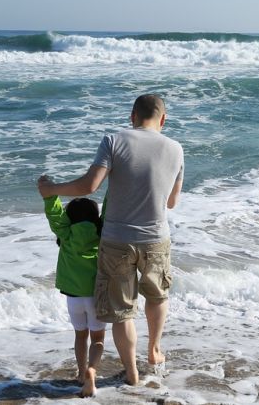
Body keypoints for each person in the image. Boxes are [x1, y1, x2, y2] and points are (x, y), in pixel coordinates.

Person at [38, 94, 184, 386]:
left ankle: (131, 370)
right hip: (156, 237)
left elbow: (89, 185)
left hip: (117, 239)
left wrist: (51, 189)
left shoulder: (114, 140)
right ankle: (154, 351)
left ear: (132, 116)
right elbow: (171, 202)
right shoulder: (176, 149)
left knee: (121, 310)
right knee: (157, 296)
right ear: (163, 119)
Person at [38, 185, 105, 397]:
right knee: (98, 339)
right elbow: (112, 208)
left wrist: (49, 194)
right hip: (96, 296)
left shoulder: (65, 233)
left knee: (80, 336)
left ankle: (80, 372)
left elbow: (55, 214)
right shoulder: (102, 230)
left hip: (74, 298)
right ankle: (92, 370)